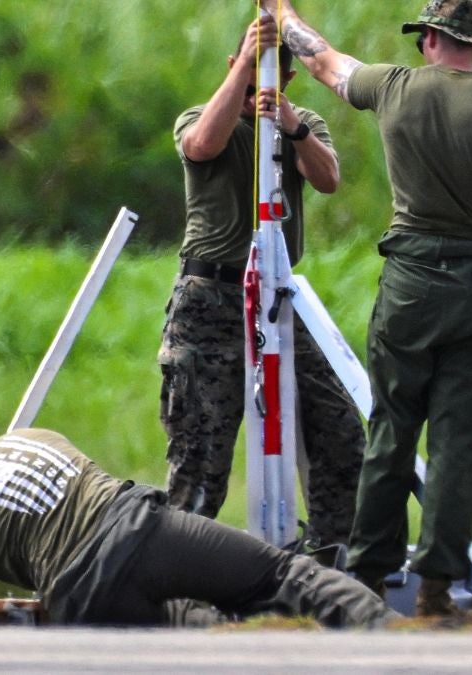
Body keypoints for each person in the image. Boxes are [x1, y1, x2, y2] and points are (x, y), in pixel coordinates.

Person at [256, 0, 472, 616]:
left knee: (390, 432)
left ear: (430, 40)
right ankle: (436, 588)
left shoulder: (392, 87)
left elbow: (324, 62)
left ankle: (365, 578)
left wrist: (282, 16)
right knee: (460, 447)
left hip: (409, 289)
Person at [158, 14, 365, 548]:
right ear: (233, 69)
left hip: (279, 296)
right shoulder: (202, 116)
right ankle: (182, 572)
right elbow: (203, 145)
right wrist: (248, 67)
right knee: (201, 452)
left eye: (266, 82)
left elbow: (328, 179)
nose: (257, 93)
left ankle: (326, 562)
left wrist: (291, 123)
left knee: (340, 428)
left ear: (287, 82)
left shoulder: (303, 124)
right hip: (211, 299)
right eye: (248, 80)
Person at [0, 426, 395, 628]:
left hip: (81, 595)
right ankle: (391, 635)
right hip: (140, 529)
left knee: (190, 632)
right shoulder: (32, 436)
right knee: (282, 576)